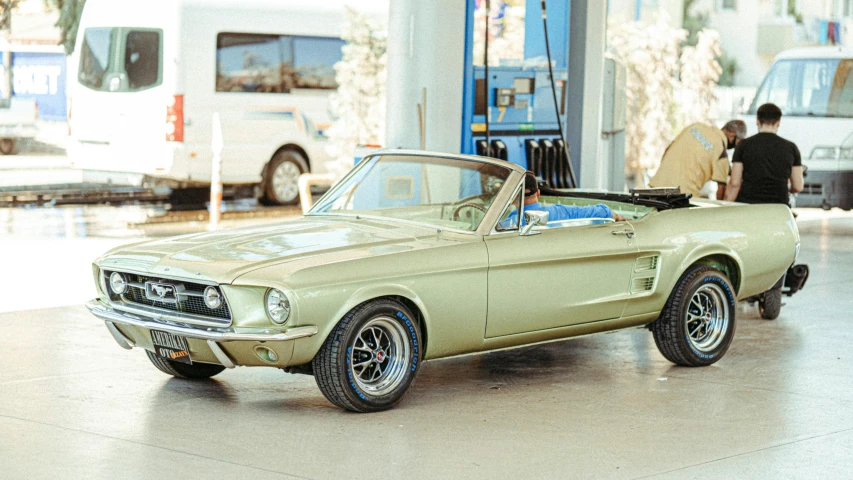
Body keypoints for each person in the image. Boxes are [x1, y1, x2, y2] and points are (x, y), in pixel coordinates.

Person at [725, 103, 804, 205]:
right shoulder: (791, 148)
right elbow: (798, 186)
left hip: (749, 206)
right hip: (779, 207)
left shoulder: (743, 146)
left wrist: (726, 205)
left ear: (757, 120)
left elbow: (735, 183)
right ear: (778, 122)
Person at [649, 120, 747, 199]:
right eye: (738, 143)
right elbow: (721, 189)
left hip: (657, 185)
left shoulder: (695, 126)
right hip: (681, 196)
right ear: (732, 136)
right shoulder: (721, 152)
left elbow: (668, 149)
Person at [504, 172, 627, 227]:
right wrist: (618, 217)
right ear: (538, 193)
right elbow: (602, 212)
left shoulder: (510, 222)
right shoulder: (560, 212)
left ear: (513, 197)